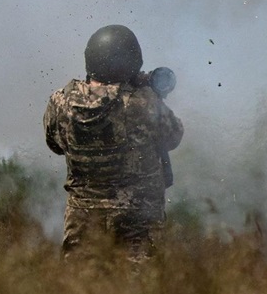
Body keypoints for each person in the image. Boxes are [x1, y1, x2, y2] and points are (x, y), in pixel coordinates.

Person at [43, 24, 183, 262]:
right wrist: (150, 93)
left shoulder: (61, 102)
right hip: (137, 221)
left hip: (83, 220)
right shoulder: (143, 103)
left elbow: (54, 144)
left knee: (82, 285)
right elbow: (174, 135)